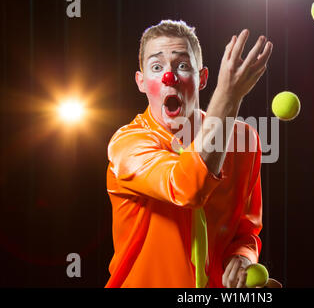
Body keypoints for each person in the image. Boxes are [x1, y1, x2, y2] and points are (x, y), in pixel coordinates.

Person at [105, 19, 273, 288]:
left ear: (202, 78)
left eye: (182, 66)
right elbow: (188, 188)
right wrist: (228, 97)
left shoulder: (244, 140)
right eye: (156, 67)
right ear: (141, 82)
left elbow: (246, 230)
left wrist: (243, 257)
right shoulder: (128, 145)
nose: (169, 77)